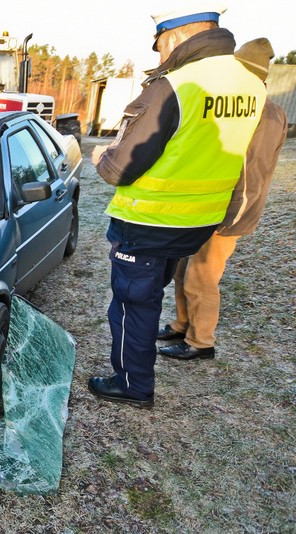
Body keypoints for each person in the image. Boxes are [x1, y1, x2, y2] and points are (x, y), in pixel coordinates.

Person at [87, 4, 268, 408]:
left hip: (149, 223)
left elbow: (121, 169)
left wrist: (101, 156)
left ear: (172, 35)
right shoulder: (250, 82)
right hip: (199, 221)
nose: (159, 54)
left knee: (133, 305)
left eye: (158, 44)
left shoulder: (174, 84)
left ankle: (133, 386)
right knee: (152, 294)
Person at [156, 38, 289, 360]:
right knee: (182, 269)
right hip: (205, 207)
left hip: (225, 214)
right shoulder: (241, 102)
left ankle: (201, 342)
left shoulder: (263, 113)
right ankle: (182, 324)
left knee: (201, 278)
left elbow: (252, 172)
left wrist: (229, 218)